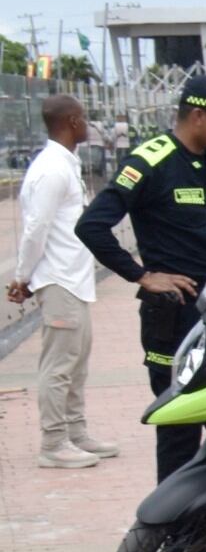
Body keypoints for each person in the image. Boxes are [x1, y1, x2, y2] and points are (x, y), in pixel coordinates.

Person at [76, 73, 206, 478]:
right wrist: (142, 276)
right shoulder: (150, 160)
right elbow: (91, 226)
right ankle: (167, 535)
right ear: (197, 115)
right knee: (179, 431)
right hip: (174, 319)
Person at [10, 95, 111, 468]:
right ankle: (54, 443)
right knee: (59, 365)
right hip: (59, 280)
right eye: (83, 118)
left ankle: (75, 432)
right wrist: (23, 275)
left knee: (76, 361)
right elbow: (36, 227)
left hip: (74, 279)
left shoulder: (64, 164)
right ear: (70, 121)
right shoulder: (52, 168)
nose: (87, 124)